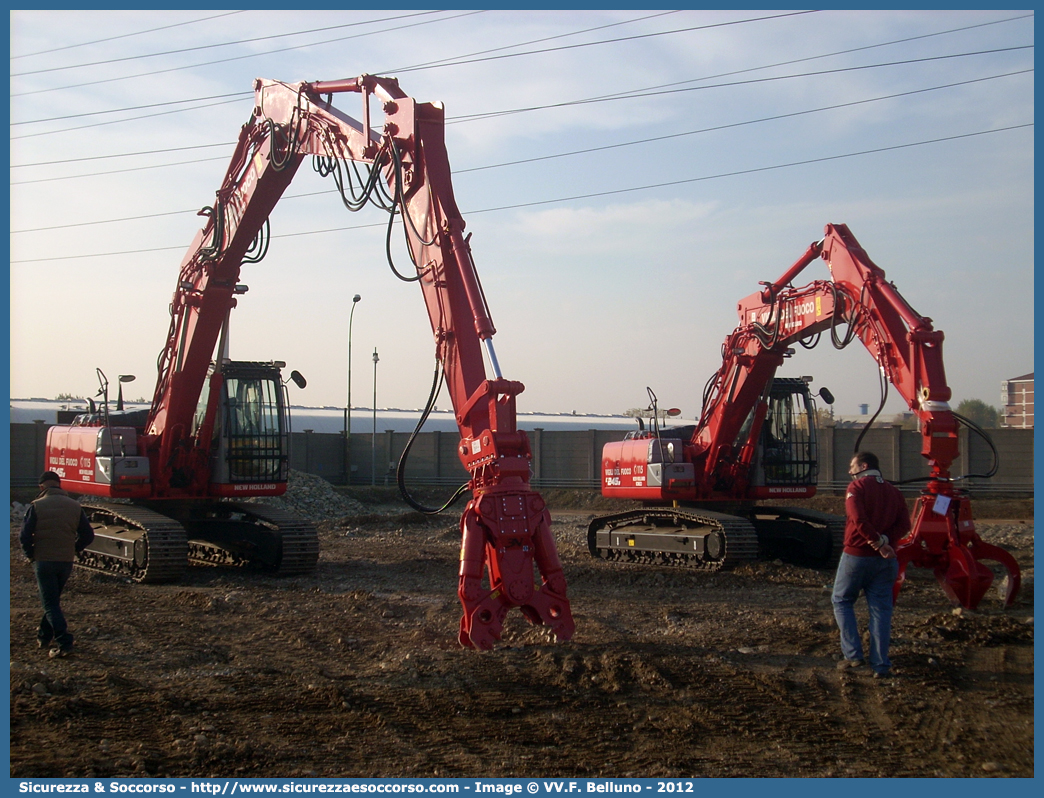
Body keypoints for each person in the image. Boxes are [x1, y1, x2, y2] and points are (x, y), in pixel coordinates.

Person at [831, 451, 910, 678]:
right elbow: (904, 523)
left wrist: (876, 542)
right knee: (881, 610)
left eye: (852, 466)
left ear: (863, 465)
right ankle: (881, 665)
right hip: (886, 561)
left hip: (857, 557)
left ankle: (853, 655)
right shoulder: (894, 492)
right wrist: (885, 542)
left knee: (842, 600)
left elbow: (858, 519)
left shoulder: (856, 489)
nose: (849, 471)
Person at [19, 471, 95, 658]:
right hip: (65, 562)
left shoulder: (36, 506)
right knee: (52, 601)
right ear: (59, 485)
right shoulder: (75, 506)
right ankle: (44, 637)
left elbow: (24, 536)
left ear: (42, 486)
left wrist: (31, 555)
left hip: (44, 560)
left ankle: (64, 642)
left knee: (50, 603)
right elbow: (88, 535)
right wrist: (75, 548)